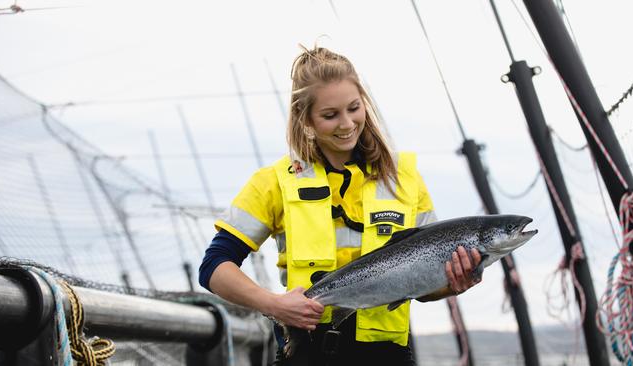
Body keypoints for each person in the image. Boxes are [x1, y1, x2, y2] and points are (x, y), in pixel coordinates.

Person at [198, 45, 482, 365]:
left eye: (354, 108)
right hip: (304, 353)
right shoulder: (275, 181)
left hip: (388, 357)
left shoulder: (406, 178)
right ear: (306, 119)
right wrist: (273, 304)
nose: (347, 124)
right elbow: (214, 266)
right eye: (330, 115)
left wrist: (453, 284)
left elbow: (424, 287)